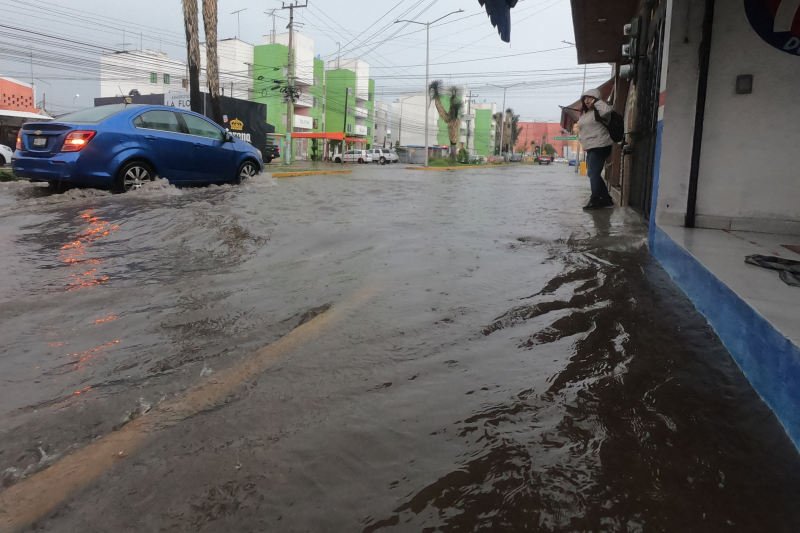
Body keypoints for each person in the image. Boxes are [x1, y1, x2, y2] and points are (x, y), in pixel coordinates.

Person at [577, 88, 614, 209]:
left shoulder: (601, 110)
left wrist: (597, 101)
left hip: (601, 145)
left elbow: (607, 112)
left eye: (590, 98)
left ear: (596, 99)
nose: (587, 100)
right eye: (585, 98)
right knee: (593, 174)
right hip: (591, 147)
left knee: (593, 173)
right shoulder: (586, 114)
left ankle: (596, 199)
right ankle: (606, 199)